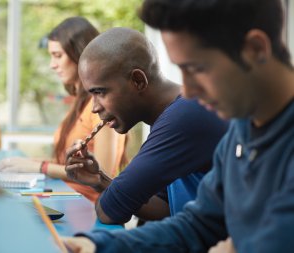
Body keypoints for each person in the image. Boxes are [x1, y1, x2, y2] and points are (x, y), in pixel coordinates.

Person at [63, 0, 294, 252]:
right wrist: (97, 244)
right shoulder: (242, 130)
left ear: (255, 49)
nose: (190, 91)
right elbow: (198, 225)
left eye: (196, 68)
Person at [64, 27, 228, 224]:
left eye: (100, 92)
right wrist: (100, 180)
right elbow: (164, 208)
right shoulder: (173, 115)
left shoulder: (183, 116)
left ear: (138, 81)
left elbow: (110, 212)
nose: (95, 108)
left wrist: (112, 197)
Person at [0, 17, 127, 203]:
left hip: (87, 208)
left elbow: (103, 173)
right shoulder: (80, 103)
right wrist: (29, 163)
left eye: (58, 56)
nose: (52, 64)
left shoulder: (100, 106)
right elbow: (67, 162)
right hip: (68, 199)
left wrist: (40, 166)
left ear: (79, 55)